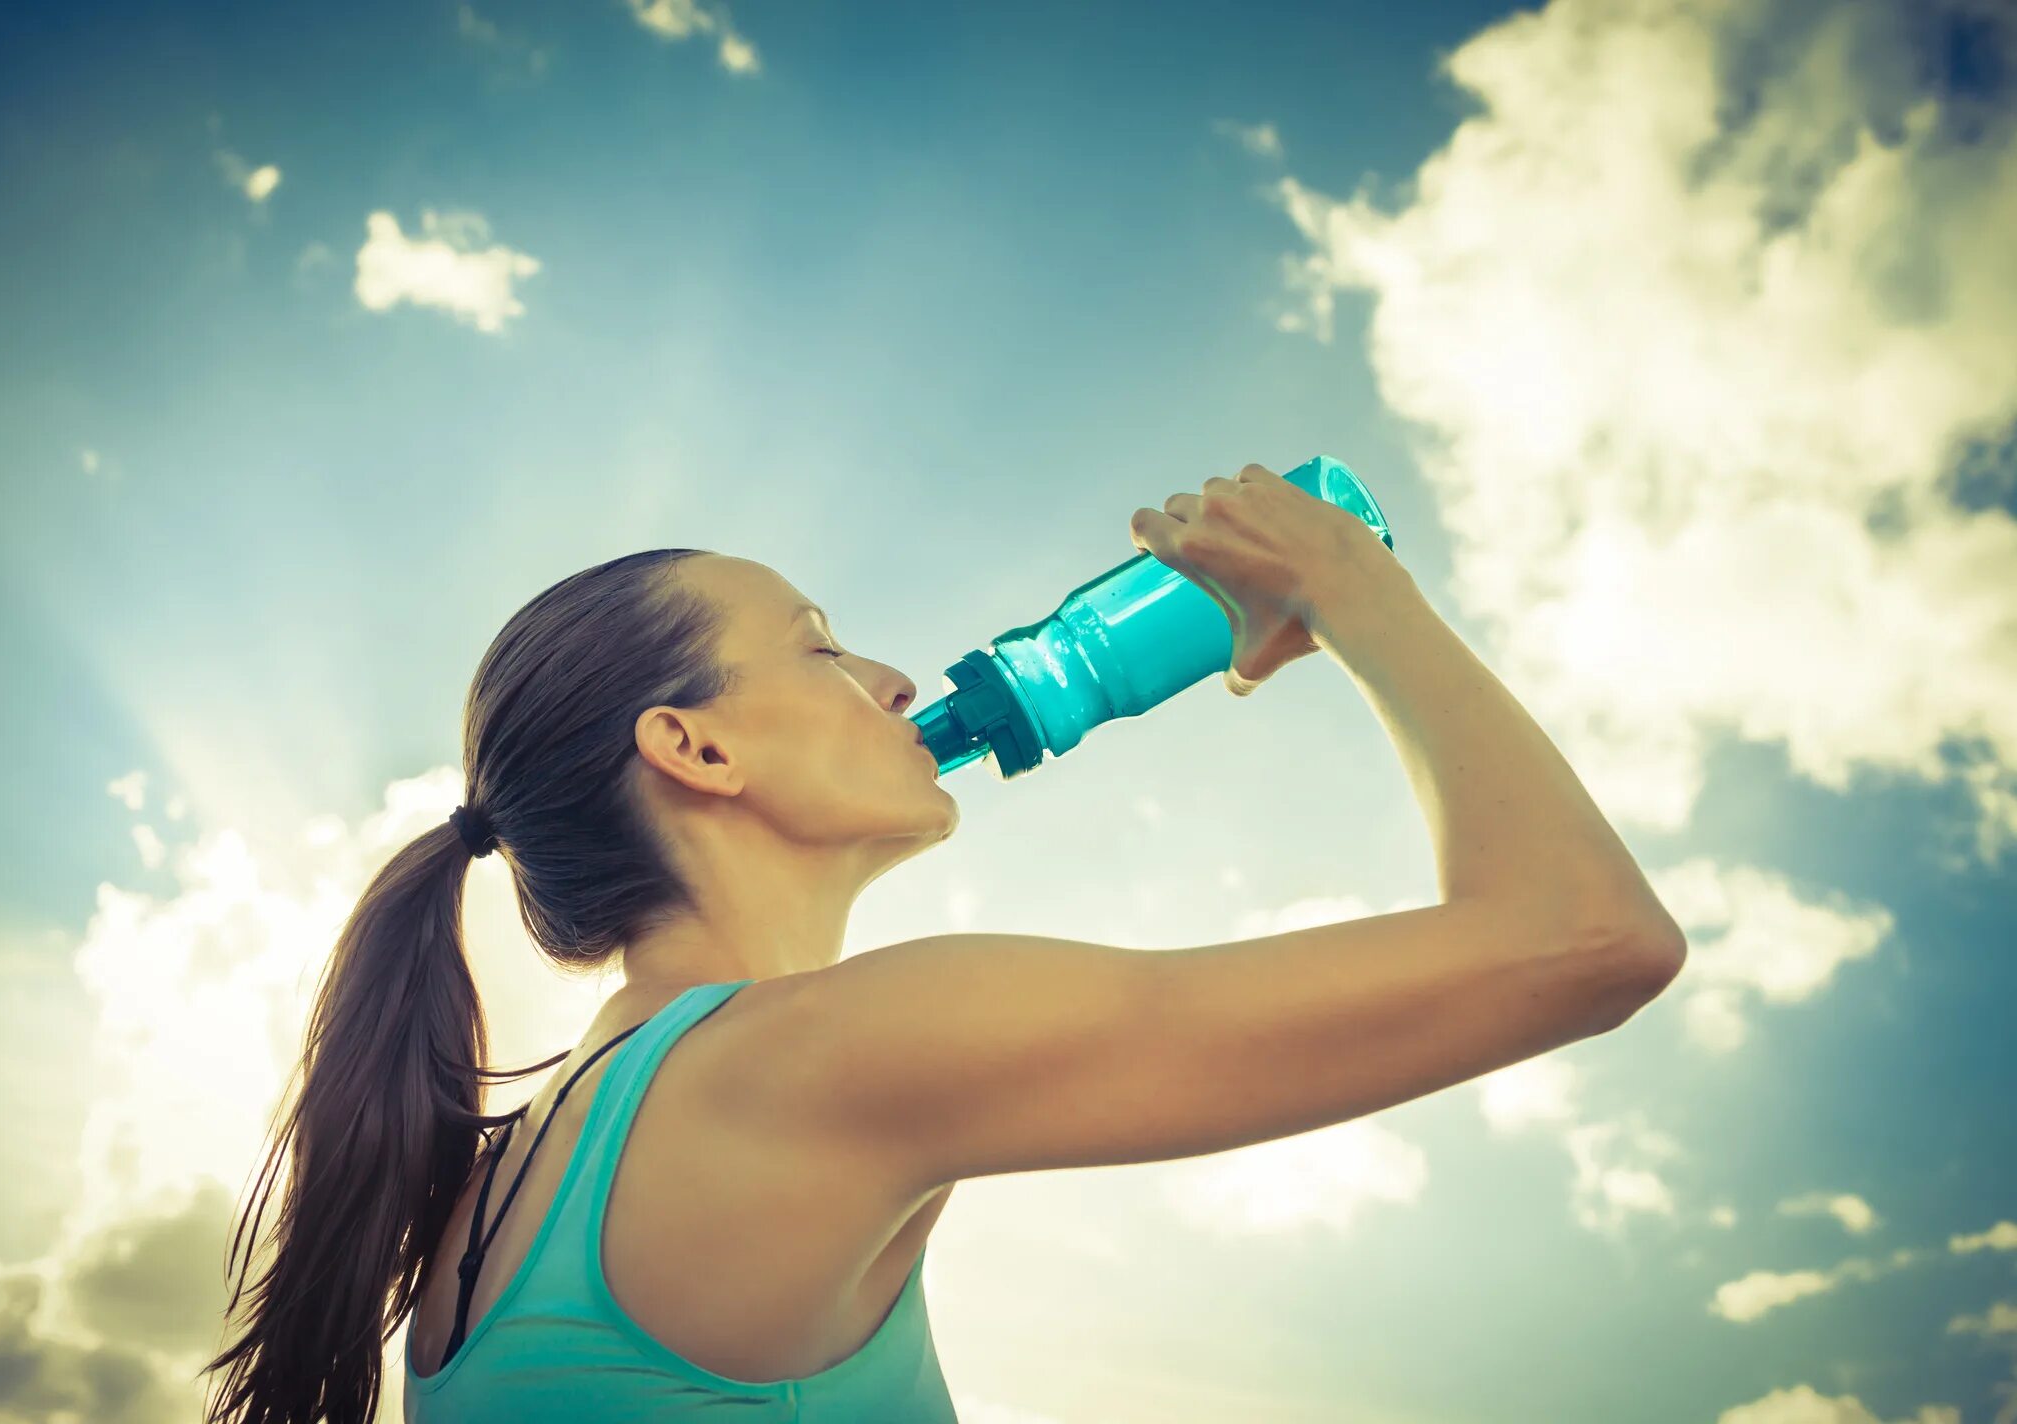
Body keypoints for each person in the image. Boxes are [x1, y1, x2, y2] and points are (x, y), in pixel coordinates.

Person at [204, 464, 1687, 1423]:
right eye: (820, 642)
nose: (898, 677)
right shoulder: (823, 1057)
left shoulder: (493, 1187)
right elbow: (1585, 938)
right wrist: (1361, 592)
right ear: (696, 750)